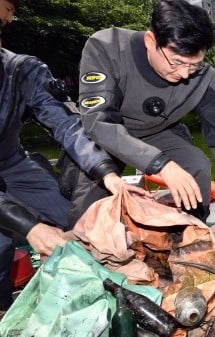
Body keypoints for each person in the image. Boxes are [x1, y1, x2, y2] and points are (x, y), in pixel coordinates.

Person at [67, 0, 215, 226]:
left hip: (156, 132)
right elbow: (98, 122)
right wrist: (162, 165)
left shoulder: (205, 77)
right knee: (86, 210)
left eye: (194, 65)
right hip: (104, 134)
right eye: (176, 62)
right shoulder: (106, 46)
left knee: (197, 164)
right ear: (151, 41)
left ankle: (192, 230)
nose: (185, 74)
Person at [0, 0, 139, 312]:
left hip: (12, 163)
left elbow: (66, 123)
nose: (9, 17)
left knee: (81, 227)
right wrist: (32, 228)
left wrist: (106, 171)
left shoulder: (22, 69)